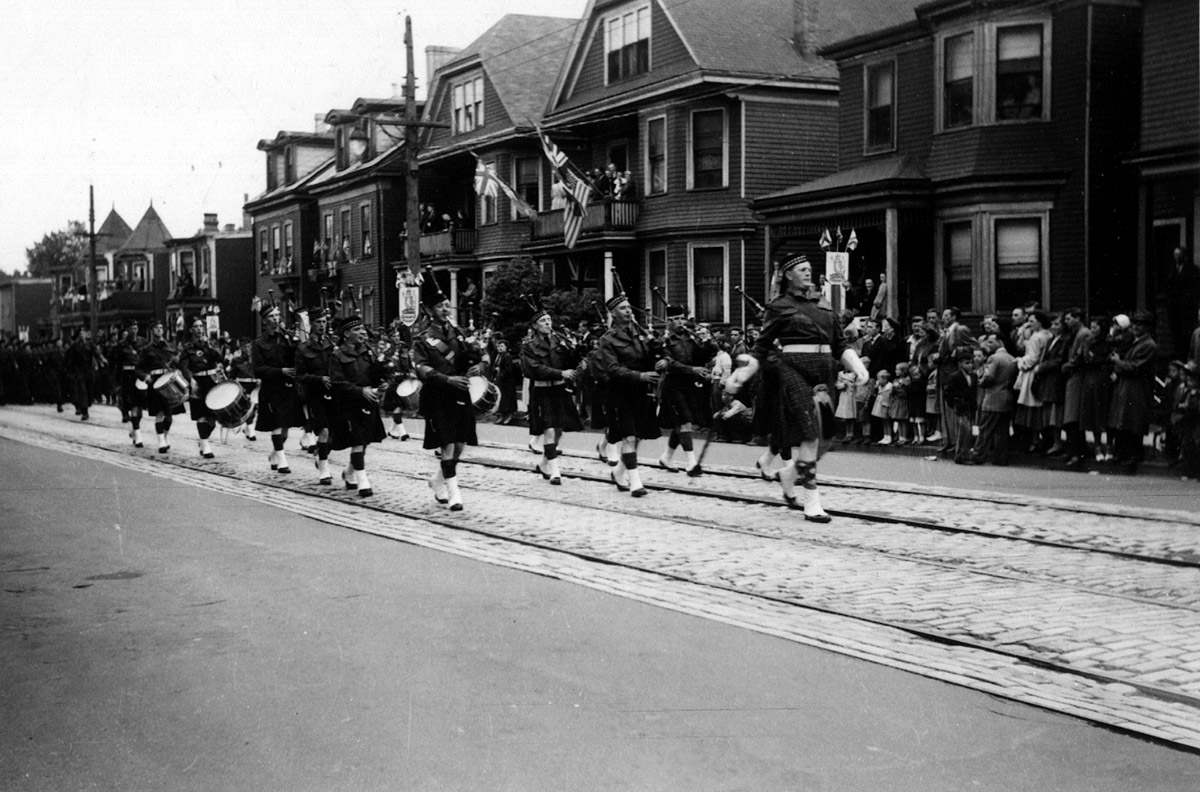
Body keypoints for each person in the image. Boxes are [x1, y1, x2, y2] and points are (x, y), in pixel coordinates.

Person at [725, 255, 868, 522]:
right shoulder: (779, 306)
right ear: (788, 275)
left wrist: (856, 365)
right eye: (802, 269)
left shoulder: (823, 304)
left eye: (809, 269)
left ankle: (788, 475)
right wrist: (742, 373)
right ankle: (812, 502)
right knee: (811, 435)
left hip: (824, 372)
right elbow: (761, 346)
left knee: (825, 438)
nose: (807, 273)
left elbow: (839, 344)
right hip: (793, 370)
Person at [413, 278, 483, 511]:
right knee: (447, 444)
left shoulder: (459, 333)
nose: (445, 309)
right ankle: (454, 494)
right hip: (438, 396)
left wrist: (479, 366)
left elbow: (478, 356)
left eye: (446, 305)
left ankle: (438, 480)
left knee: (460, 444)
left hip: (460, 394)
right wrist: (447, 379)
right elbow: (421, 368)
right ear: (431, 311)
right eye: (440, 306)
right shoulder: (423, 339)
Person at [595, 291, 661, 497]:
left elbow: (648, 357)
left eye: (629, 307)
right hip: (620, 393)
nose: (628, 311)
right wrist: (639, 376)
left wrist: (659, 353)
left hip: (640, 392)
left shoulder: (639, 334)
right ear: (613, 313)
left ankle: (619, 472)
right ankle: (635, 483)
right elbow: (612, 368)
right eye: (623, 308)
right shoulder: (608, 339)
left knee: (637, 437)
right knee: (629, 437)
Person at [520, 308, 584, 485]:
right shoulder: (528, 346)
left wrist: (577, 353)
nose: (548, 323)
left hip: (559, 390)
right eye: (543, 321)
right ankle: (555, 472)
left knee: (558, 430)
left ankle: (543, 463)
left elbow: (570, 363)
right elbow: (534, 369)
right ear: (535, 326)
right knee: (548, 429)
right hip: (542, 391)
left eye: (549, 319)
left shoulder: (560, 342)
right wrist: (561, 373)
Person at [328, 315, 387, 497]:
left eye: (362, 329)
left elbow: (374, 375)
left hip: (368, 403)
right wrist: (361, 391)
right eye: (357, 330)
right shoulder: (337, 355)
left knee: (364, 441)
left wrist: (381, 383)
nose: (362, 332)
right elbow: (337, 382)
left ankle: (349, 472)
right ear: (346, 334)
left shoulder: (368, 352)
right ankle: (363, 481)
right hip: (348, 404)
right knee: (357, 441)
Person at [656, 305, 716, 476]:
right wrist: (692, 370)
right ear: (669, 321)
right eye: (676, 319)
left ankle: (666, 457)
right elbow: (669, 363)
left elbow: (699, 357)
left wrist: (707, 344)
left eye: (681, 318)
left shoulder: (689, 338)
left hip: (688, 384)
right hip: (672, 384)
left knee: (681, 424)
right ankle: (691, 463)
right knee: (685, 422)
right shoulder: (664, 340)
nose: (680, 322)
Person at [252, 303, 304, 474]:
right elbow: (258, 369)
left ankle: (275, 454)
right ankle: (282, 460)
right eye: (272, 316)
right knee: (276, 424)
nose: (276, 319)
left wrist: (296, 342)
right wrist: (280, 371)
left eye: (277, 316)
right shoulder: (258, 343)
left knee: (285, 428)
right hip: (271, 389)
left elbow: (296, 358)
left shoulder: (286, 339)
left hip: (287, 388)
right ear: (264, 321)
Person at [1108, 310, 1159, 473]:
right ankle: (1121, 454)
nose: (1136, 327)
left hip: (1137, 388)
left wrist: (1118, 363)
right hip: (1125, 386)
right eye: (1135, 323)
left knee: (1133, 421)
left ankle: (1133, 457)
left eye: (1141, 324)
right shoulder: (1133, 341)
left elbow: (1136, 367)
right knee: (1123, 421)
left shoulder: (1148, 345)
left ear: (1148, 327)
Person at [295, 308, 336, 484]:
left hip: (333, 394)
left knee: (334, 433)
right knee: (324, 430)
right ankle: (324, 469)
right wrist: (319, 379)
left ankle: (321, 454)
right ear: (311, 324)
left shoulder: (331, 345)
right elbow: (300, 376)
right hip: (315, 395)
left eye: (324, 322)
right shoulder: (303, 349)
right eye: (318, 322)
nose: (322, 325)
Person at [177, 317, 225, 459]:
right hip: (197, 382)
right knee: (201, 415)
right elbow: (184, 366)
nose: (199, 329)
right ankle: (205, 445)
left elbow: (219, 358)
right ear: (191, 330)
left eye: (201, 326)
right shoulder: (187, 348)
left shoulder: (210, 344)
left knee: (212, 418)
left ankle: (203, 440)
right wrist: (190, 379)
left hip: (211, 382)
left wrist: (211, 347)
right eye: (196, 326)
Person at [136, 319, 183, 453]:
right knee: (159, 413)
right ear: (152, 331)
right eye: (156, 328)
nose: (159, 330)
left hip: (169, 382)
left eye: (161, 328)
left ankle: (165, 436)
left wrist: (178, 363)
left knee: (169, 416)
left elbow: (178, 363)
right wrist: (145, 377)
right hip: (155, 383)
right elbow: (138, 368)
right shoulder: (146, 350)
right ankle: (161, 441)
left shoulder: (170, 347)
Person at [1059, 308, 1094, 470]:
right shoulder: (1074, 334)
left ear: (1077, 318)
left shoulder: (1083, 334)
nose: (1066, 322)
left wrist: (1068, 365)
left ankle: (1077, 453)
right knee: (1070, 417)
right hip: (1072, 377)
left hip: (1077, 377)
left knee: (1073, 416)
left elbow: (1080, 355)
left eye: (1069, 318)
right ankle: (1073, 450)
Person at [1166, 246, 1198, 358]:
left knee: (1186, 333)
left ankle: (1184, 355)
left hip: (1186, 309)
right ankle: (1177, 354)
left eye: (1178, 254)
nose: (1176, 257)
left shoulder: (1192, 270)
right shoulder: (1171, 270)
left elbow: (1194, 290)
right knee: (1175, 332)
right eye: (1175, 254)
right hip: (1174, 309)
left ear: (1184, 256)